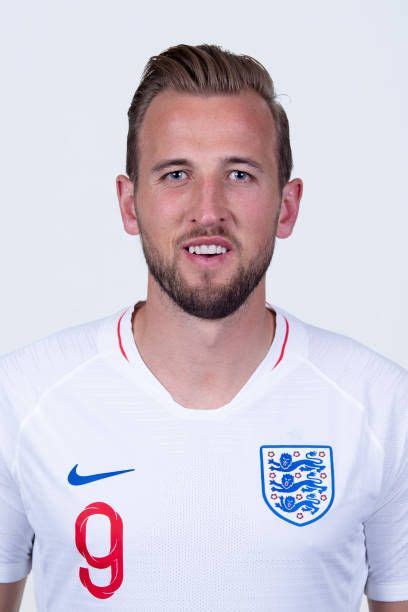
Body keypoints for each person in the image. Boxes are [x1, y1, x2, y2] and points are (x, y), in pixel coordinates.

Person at [0, 43, 406, 612]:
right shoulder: (22, 399)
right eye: (175, 174)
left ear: (286, 206)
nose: (207, 208)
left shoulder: (383, 406)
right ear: (129, 203)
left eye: (239, 174)